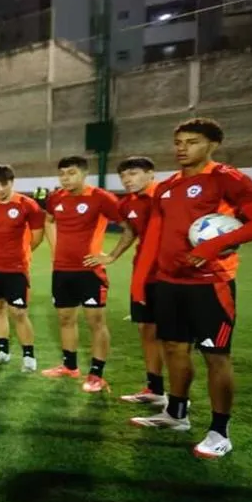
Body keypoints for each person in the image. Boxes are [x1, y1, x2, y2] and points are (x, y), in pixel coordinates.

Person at [129, 118, 252, 458]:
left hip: (211, 284)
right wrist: (143, 283)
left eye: (192, 142)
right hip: (169, 283)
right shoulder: (166, 187)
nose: (182, 148)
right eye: (179, 141)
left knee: (216, 356)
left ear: (213, 145)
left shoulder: (226, 178)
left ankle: (219, 431)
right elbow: (154, 236)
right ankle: (176, 413)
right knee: (173, 348)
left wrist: (213, 246)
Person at [83, 157, 165, 405]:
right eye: (124, 176)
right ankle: (155, 389)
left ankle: (179, 403)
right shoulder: (129, 203)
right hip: (143, 273)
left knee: (173, 340)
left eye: (134, 173)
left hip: (171, 274)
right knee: (146, 330)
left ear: (151, 173)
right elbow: (131, 229)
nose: (128, 180)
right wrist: (112, 255)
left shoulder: (164, 195)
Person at [41, 156, 126, 393]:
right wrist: (55, 248)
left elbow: (129, 226)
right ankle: (70, 366)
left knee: (95, 323)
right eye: (62, 174)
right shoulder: (56, 197)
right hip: (61, 271)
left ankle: (96, 375)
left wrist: (111, 256)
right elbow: (48, 220)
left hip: (90, 272)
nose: (66, 178)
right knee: (65, 319)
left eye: (71, 173)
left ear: (84, 174)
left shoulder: (101, 198)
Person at [0, 165, 45, 371]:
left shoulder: (27, 205)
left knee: (19, 312)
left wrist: (19, 252)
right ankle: (3, 352)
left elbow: (37, 237)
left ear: (12, 182)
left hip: (16, 268)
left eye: (3, 184)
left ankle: (28, 357)